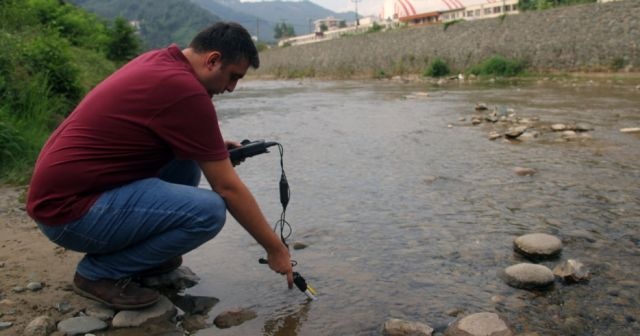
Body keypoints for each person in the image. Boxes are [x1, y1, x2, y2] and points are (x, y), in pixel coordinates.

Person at [26, 22, 293, 310]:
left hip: (61, 197)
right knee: (210, 211)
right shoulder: (187, 92)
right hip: (68, 215)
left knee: (189, 158)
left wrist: (212, 149)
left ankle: (146, 256)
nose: (231, 88)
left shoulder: (161, 61)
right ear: (213, 60)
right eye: (232, 77)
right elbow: (227, 188)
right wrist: (275, 249)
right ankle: (99, 273)